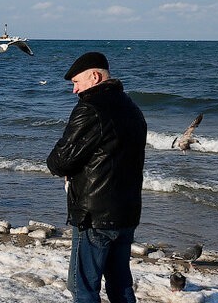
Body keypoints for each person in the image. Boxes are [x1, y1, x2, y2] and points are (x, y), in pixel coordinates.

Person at [47, 52, 147, 303]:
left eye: (76, 82)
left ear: (94, 76)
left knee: (82, 286)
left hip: (95, 214)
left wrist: (59, 163)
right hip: (127, 210)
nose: (74, 90)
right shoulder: (131, 107)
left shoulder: (90, 108)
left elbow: (61, 160)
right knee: (120, 284)